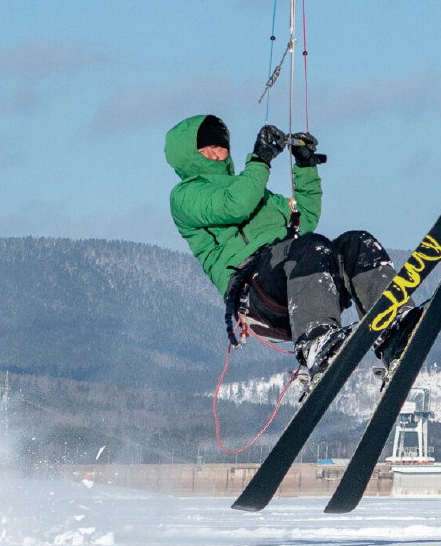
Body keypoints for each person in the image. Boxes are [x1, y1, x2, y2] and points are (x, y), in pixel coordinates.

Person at [163, 114, 418, 379]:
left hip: (298, 278)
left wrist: (305, 166)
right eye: (206, 150)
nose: (216, 155)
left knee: (356, 242)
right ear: (189, 157)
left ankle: (395, 326)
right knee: (309, 248)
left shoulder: (252, 188)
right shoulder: (185, 195)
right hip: (255, 290)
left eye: (220, 147)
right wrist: (260, 160)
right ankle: (316, 341)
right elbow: (235, 205)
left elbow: (304, 220)